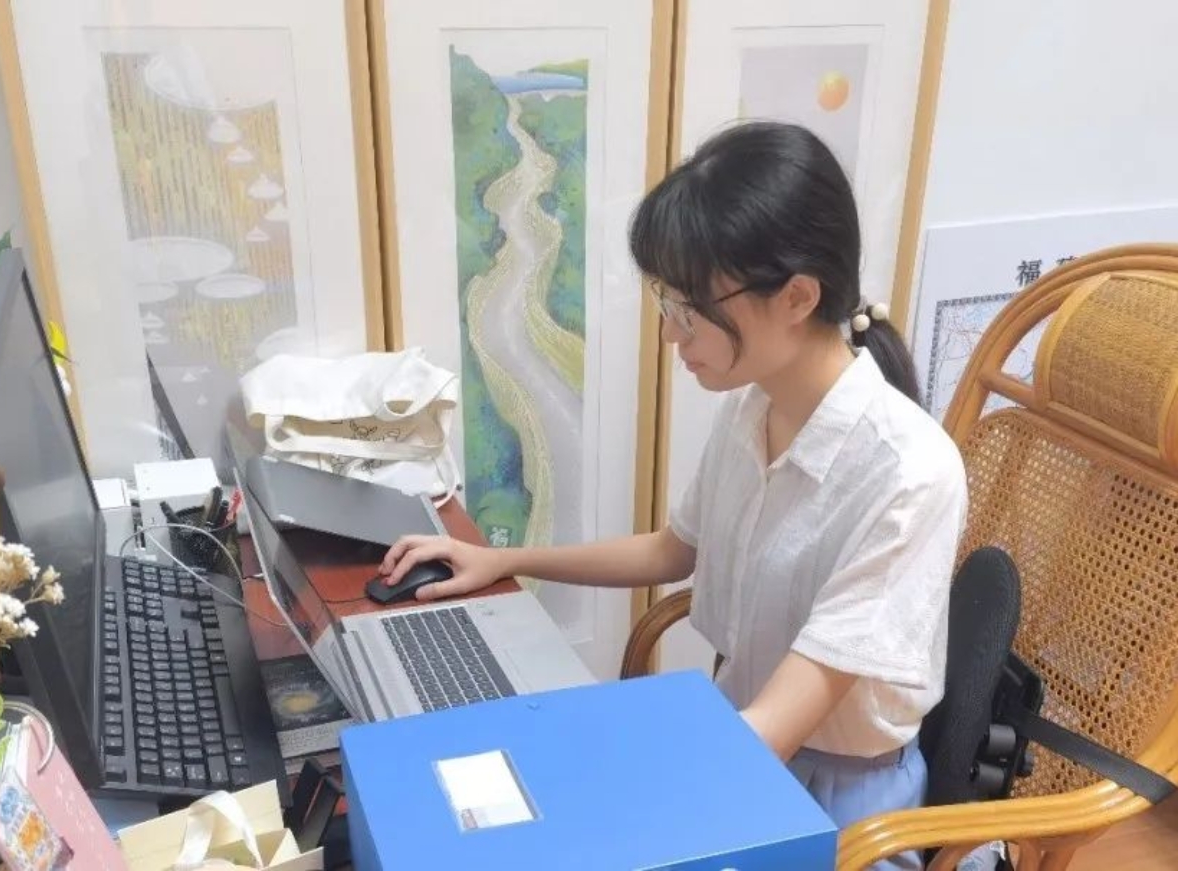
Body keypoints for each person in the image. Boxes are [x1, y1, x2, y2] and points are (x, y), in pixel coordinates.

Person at [380, 121, 966, 870]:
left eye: (689, 309)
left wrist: (576, 772)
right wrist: (501, 561)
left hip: (834, 808)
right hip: (740, 741)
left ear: (796, 297)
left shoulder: (909, 474)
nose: (670, 334)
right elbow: (673, 548)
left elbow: (773, 730)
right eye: (667, 300)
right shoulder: (753, 407)